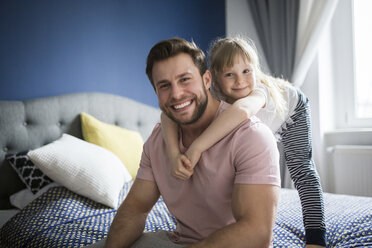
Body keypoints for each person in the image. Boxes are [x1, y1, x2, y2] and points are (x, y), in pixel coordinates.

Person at [102, 38, 281, 248]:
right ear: (156, 93)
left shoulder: (251, 136)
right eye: (164, 85)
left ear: (207, 80)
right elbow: (136, 208)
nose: (177, 94)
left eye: (185, 79)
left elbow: (256, 232)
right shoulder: (158, 141)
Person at [161, 36, 327, 247]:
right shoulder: (212, 94)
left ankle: (317, 238)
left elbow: (242, 109)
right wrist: (174, 154)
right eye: (230, 74)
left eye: (246, 71)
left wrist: (196, 148)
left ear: (255, 71)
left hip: (290, 109)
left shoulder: (260, 91)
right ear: (214, 79)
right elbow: (168, 116)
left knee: (301, 169)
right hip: (252, 123)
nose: (240, 81)